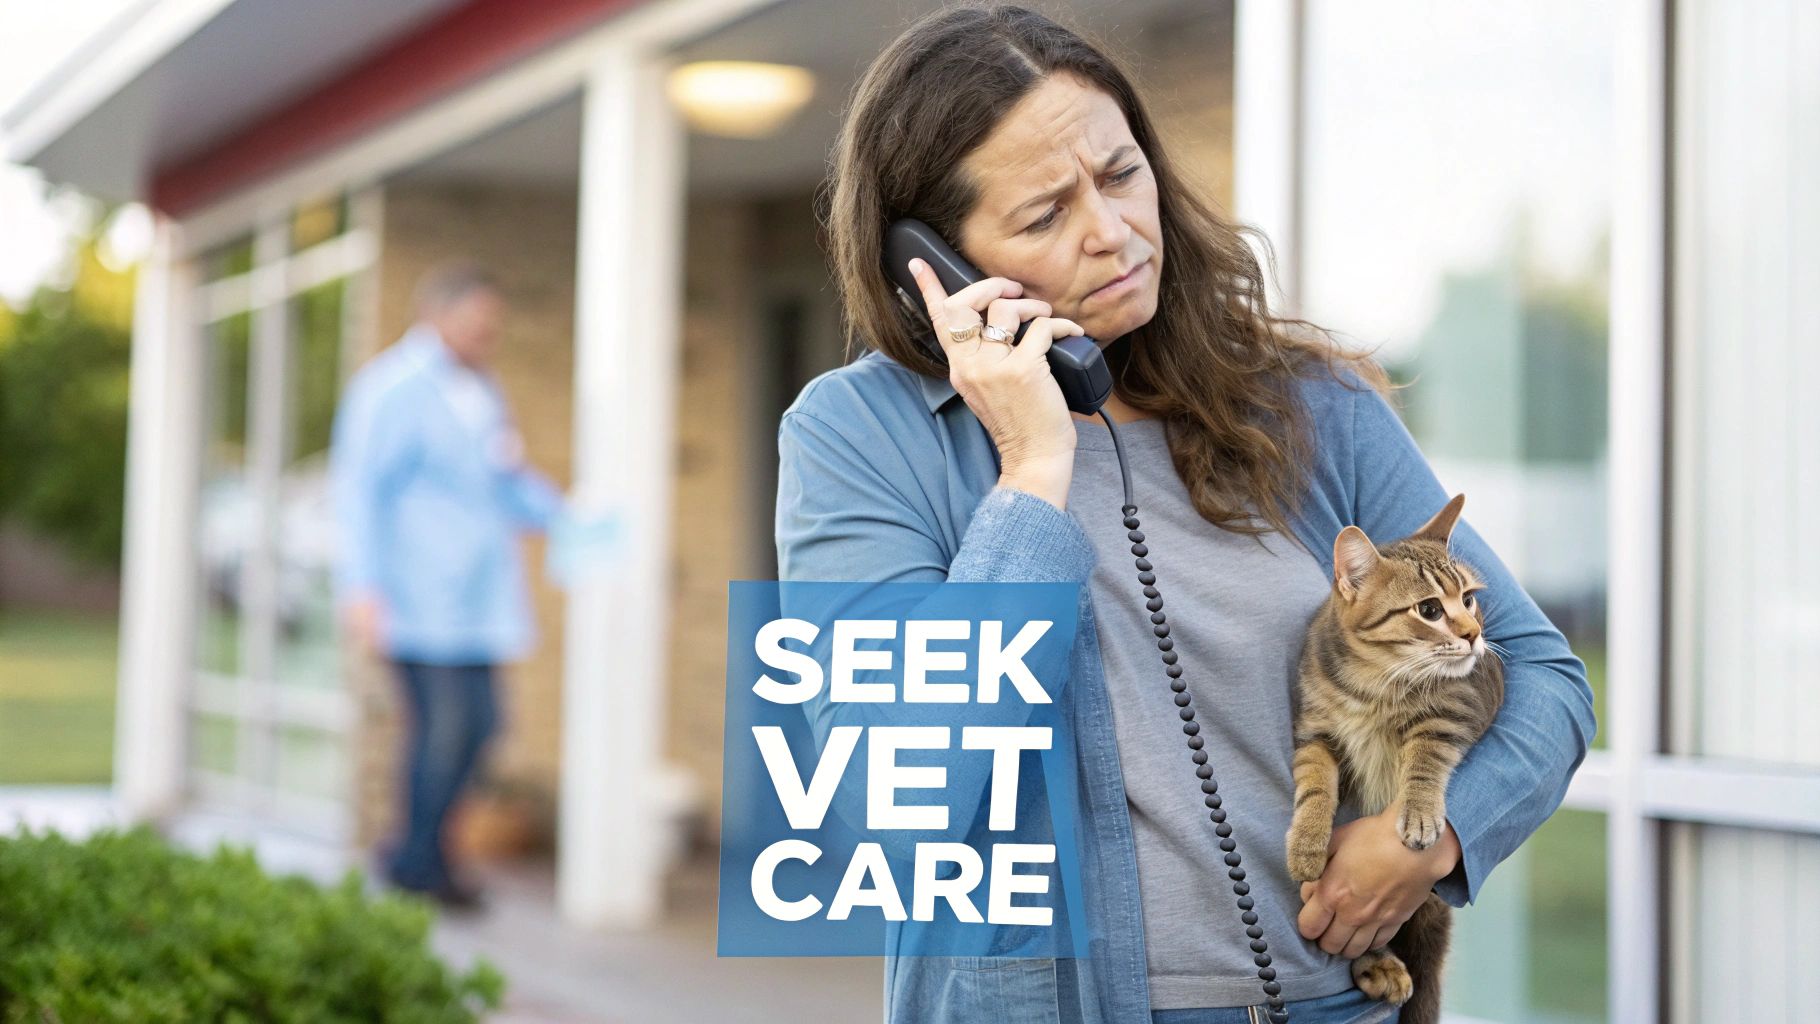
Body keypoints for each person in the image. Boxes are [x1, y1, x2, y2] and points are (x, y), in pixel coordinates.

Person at [776, 5, 1595, 1023]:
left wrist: (1426, 839)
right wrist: (1032, 469)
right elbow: (886, 805)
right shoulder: (859, 436)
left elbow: (1545, 680)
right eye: (1042, 216)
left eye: (1120, 176)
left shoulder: (1307, 404)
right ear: (930, 265)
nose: (1110, 231)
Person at [330, 260, 562, 911]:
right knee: (442, 730)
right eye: (478, 321)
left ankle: (419, 853)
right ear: (438, 315)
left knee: (484, 726)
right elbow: (358, 495)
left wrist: (567, 516)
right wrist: (362, 589)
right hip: (417, 599)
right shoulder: (391, 390)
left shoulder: (483, 392)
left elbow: (503, 481)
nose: (489, 333)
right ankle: (419, 864)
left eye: (494, 323)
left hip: (481, 603)